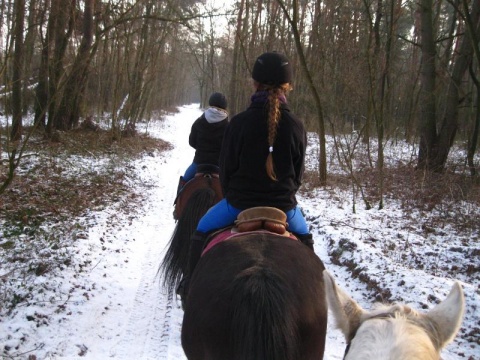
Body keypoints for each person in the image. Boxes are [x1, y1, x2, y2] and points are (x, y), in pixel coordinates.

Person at [178, 52, 314, 299]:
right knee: (305, 239)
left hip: (239, 204)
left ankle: (188, 284)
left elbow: (226, 173)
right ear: (287, 87)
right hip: (284, 208)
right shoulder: (296, 126)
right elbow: (297, 177)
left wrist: (235, 197)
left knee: (201, 228)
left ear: (255, 83)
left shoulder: (238, 123)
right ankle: (319, 293)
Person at [176, 92, 229, 194]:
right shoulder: (228, 125)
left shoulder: (199, 121)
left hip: (199, 163)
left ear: (210, 103)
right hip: (219, 166)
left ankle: (177, 206)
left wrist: (202, 148)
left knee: (185, 179)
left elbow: (192, 142)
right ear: (225, 107)